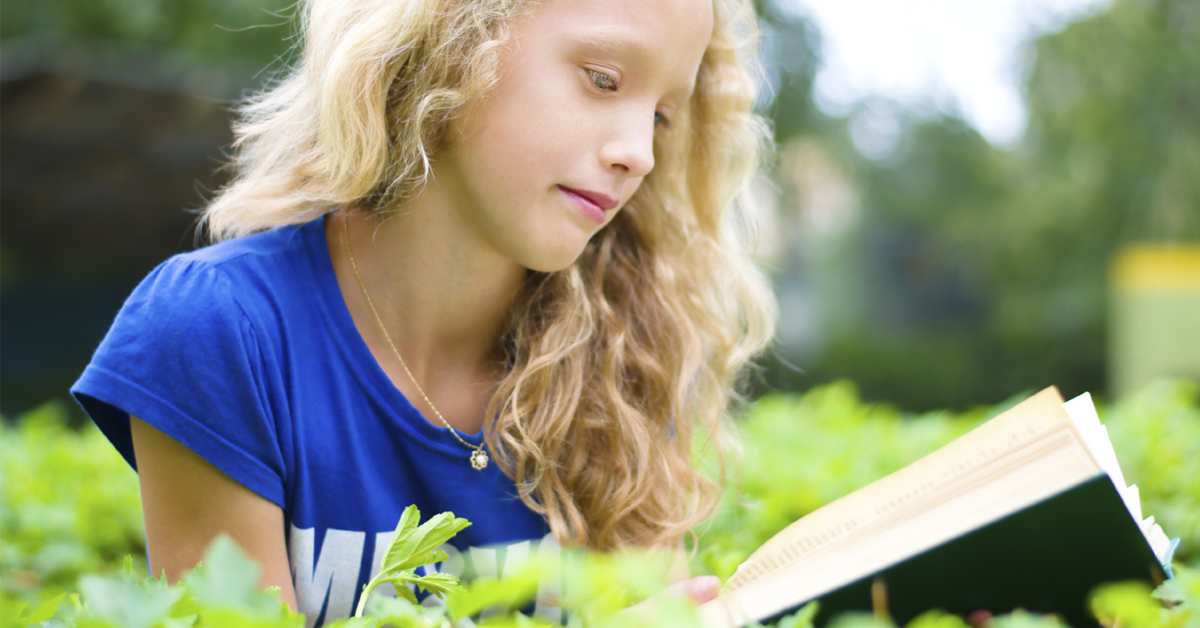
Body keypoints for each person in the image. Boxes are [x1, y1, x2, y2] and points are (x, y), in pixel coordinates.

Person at [72, 0, 776, 624]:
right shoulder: (222, 331)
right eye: (601, 78)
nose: (639, 154)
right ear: (448, 33)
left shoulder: (628, 353)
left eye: (661, 116)